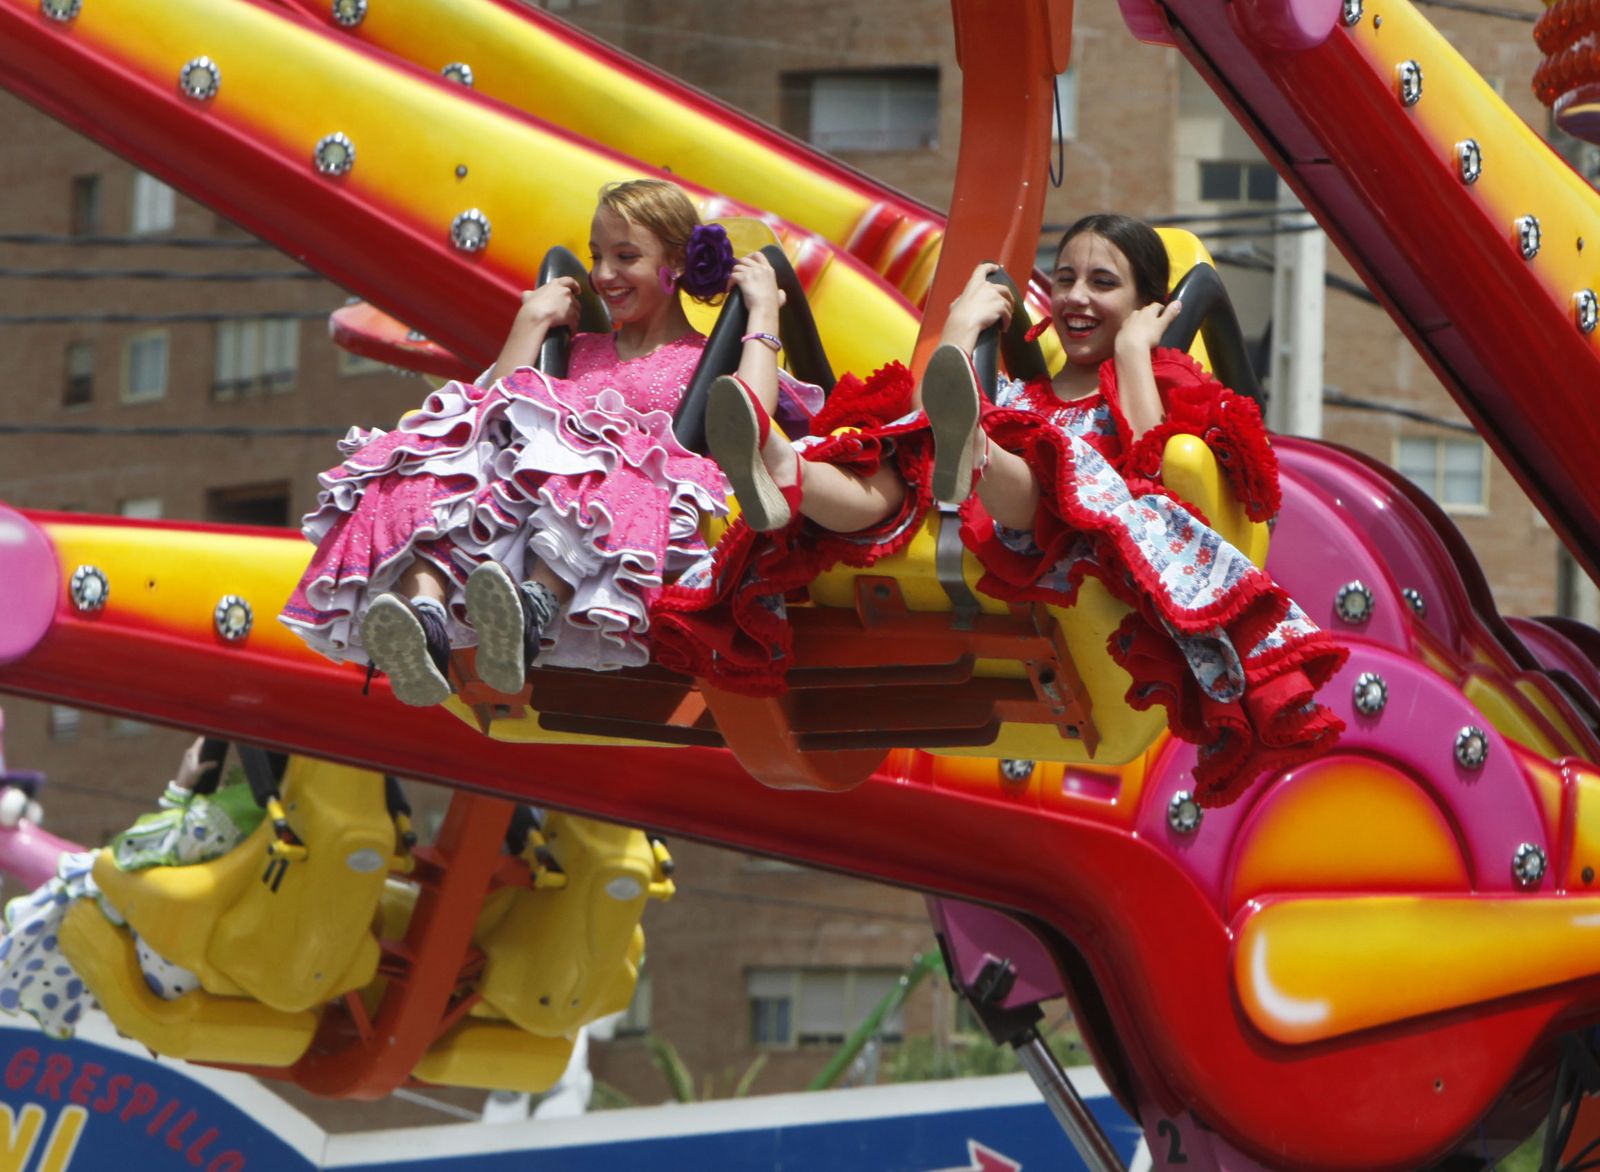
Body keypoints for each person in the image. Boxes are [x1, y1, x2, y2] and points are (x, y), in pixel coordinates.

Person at [280, 180, 819, 703]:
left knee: (600, 461)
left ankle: (534, 607)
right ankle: (425, 618)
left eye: (625, 257)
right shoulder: (576, 350)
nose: (604, 275)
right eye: (596, 257)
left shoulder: (699, 360)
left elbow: (749, 413)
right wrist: (532, 321)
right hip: (527, 511)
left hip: (632, 514)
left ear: (676, 262)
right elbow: (482, 416)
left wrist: (763, 313)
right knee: (427, 455)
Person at [918, 213, 1346, 806]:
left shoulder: (1165, 375)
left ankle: (976, 448)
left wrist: (1135, 354)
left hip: (1074, 541)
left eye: (1102, 282)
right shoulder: (1024, 394)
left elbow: (1154, 472)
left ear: (1146, 303)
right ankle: (791, 471)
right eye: (1064, 278)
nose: (1075, 296)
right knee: (912, 446)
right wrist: (960, 332)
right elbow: (920, 429)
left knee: (1041, 465)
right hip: (985, 529)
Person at [0, 737, 263, 1038]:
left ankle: (18, 961)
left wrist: (180, 788)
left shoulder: (228, 819)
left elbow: (146, 851)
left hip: (182, 957)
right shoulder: (267, 821)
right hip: (203, 953)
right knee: (86, 885)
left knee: (84, 885)